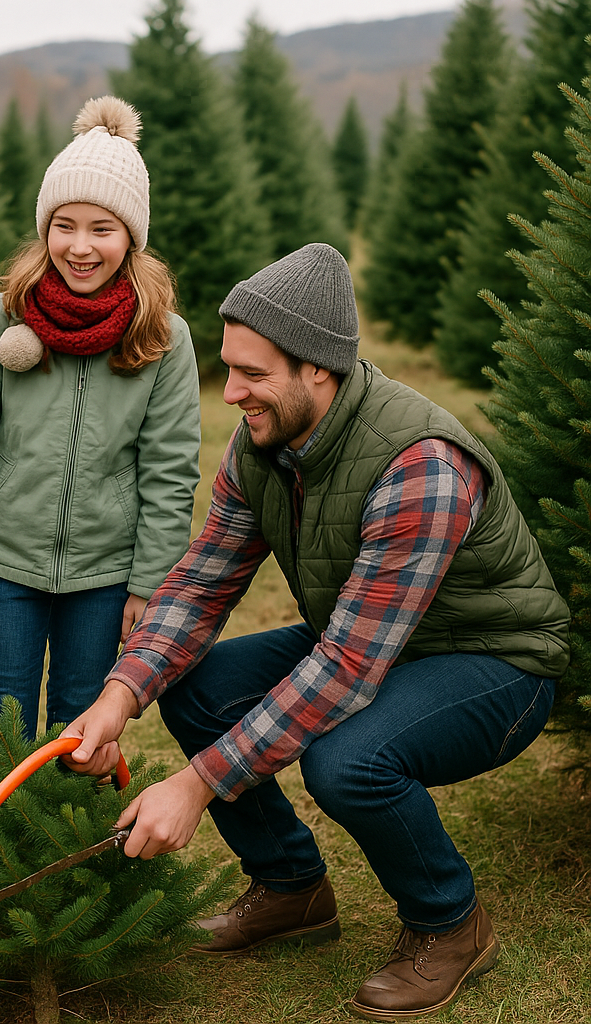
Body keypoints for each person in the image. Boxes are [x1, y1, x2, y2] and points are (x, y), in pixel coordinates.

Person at [62, 243, 570, 1022]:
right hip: (374, 641)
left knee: (349, 760)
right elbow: (204, 582)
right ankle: (292, 890)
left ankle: (451, 923)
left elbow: (345, 671)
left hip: (494, 661)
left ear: (319, 372)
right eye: (228, 368)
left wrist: (197, 784)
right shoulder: (263, 443)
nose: (230, 393)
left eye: (252, 374)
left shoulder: (420, 467)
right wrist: (120, 694)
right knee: (197, 687)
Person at [0, 95, 201, 740]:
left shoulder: (162, 337)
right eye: (65, 225)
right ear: (45, 227)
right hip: (3, 565)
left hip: (106, 577)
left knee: (83, 728)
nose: (80, 247)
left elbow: (170, 473)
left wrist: (148, 585)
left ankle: (71, 844)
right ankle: (1, 843)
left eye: (102, 229)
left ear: (131, 238)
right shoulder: (4, 318)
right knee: (1, 723)